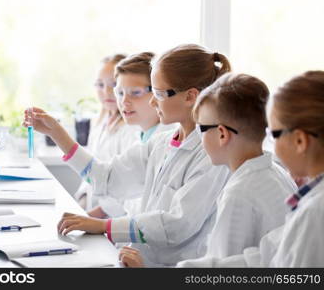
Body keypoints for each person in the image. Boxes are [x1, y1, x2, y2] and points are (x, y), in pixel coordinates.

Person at [24, 44, 232, 266]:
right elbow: (107, 178)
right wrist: (56, 132)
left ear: (190, 96)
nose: (153, 101)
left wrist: (106, 226)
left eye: (159, 93)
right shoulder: (161, 144)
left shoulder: (211, 156)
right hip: (140, 260)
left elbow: (178, 224)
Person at [120, 73, 297, 267]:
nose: (198, 136)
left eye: (201, 128)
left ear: (222, 134)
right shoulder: (276, 174)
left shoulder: (239, 193)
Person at [172, 70, 324, 267]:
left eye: (273, 134)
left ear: (300, 140)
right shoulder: (279, 176)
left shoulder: (313, 213)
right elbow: (269, 255)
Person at [88, 52, 176, 219]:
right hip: (127, 233)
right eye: (120, 93)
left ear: (157, 93)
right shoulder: (140, 135)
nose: (124, 102)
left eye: (135, 92)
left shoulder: (166, 140)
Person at [74, 54, 139, 210]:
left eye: (114, 84)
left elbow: (128, 186)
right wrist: (81, 204)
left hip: (113, 218)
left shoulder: (132, 129)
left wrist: (92, 217)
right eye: (100, 84)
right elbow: (89, 173)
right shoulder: (98, 122)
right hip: (92, 210)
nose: (107, 91)